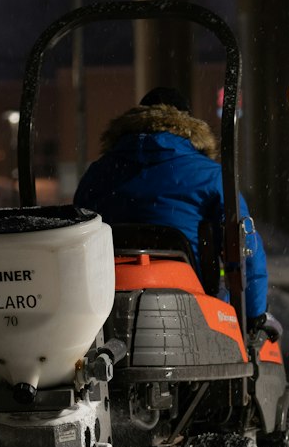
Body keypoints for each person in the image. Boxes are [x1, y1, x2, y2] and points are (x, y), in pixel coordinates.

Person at [75, 87, 271, 330]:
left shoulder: (98, 175)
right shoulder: (211, 176)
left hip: (110, 301)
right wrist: (253, 315)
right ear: (188, 124)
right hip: (191, 301)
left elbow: (77, 237)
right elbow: (245, 246)